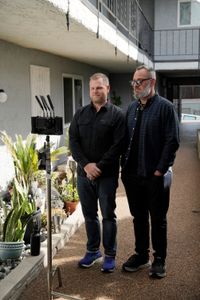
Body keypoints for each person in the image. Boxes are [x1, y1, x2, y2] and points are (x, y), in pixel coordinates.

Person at [121, 65, 179, 278]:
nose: (136, 85)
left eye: (140, 81)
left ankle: (159, 259)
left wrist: (159, 171)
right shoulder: (131, 108)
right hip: (132, 175)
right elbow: (124, 139)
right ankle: (141, 255)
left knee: (158, 218)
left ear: (152, 82)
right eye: (134, 82)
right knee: (138, 217)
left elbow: (172, 141)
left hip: (156, 175)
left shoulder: (165, 108)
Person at [69, 73, 125, 273]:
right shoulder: (80, 114)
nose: (95, 91)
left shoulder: (117, 115)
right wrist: (86, 166)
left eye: (99, 88)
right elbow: (73, 142)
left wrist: (98, 167)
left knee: (108, 215)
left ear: (107, 89)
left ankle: (110, 254)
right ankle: (93, 251)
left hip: (107, 175)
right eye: (92, 88)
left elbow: (118, 145)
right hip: (84, 176)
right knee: (89, 214)